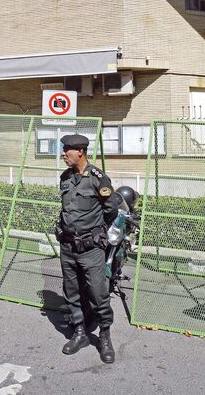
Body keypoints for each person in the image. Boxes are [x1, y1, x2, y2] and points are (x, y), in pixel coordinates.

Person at [54, 134, 121, 364]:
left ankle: (104, 336)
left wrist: (95, 231)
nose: (63, 154)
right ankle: (80, 333)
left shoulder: (97, 179)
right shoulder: (65, 177)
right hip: (68, 246)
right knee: (71, 292)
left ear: (80, 152)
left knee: (98, 294)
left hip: (90, 248)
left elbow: (111, 209)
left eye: (67, 150)